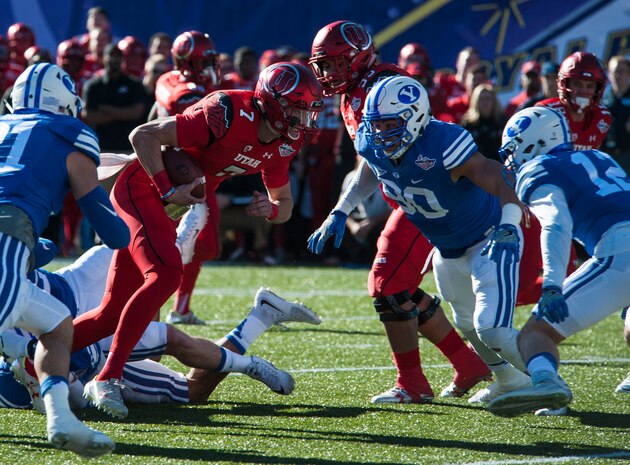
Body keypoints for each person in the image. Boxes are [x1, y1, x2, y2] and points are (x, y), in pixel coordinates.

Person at [69, 62, 323, 419]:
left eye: (307, 112)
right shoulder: (229, 113)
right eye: (297, 110)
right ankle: (108, 376)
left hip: (167, 207)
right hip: (141, 189)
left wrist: (270, 208)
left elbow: (285, 207)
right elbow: (143, 135)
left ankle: (37, 357)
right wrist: (169, 188)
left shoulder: (285, 143)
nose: (302, 121)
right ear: (273, 103)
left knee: (112, 312)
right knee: (167, 274)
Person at [308, 21, 494, 405]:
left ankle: (412, 381)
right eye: (323, 66)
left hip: (424, 200)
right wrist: (341, 209)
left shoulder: (381, 88)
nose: (327, 74)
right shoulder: (353, 93)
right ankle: (467, 364)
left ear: (357, 58)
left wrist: (345, 208)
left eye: (334, 64)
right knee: (400, 287)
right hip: (408, 198)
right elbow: (371, 159)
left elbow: (398, 150)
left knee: (386, 283)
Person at [0, 244, 321, 410]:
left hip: (89, 335)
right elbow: (41, 247)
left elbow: (63, 387)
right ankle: (260, 319)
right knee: (158, 294)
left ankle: (250, 359)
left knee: (187, 376)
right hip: (84, 287)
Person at [0, 63, 130, 456]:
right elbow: (112, 233)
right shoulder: (69, 132)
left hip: (12, 239)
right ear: (66, 103)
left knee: (56, 324)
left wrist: (35, 249)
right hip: (7, 229)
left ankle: (61, 419)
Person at [486, 106, 630, 416]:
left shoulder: (538, 168)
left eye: (512, 149)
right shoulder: (600, 157)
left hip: (621, 250)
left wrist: (552, 283)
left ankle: (547, 383)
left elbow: (555, 223)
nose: (510, 160)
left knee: (535, 334)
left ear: (532, 142)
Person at [149, 30, 222, 324]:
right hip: (187, 177)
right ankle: (168, 307)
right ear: (187, 63)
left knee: (200, 246)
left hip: (184, 173)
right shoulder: (188, 94)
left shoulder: (167, 80)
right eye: (203, 62)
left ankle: (181, 307)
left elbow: (153, 116)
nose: (210, 68)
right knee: (197, 245)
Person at [82, 43, 147, 154]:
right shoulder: (93, 86)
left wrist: (107, 109)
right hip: (101, 148)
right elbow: (88, 116)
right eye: (110, 55)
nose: (114, 59)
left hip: (128, 148)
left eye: (117, 56)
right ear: (103, 58)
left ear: (122, 59)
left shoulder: (134, 84)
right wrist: (123, 114)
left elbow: (136, 113)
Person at [460, 83, 506, 163]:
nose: (485, 102)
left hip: (499, 168)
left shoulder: (502, 121)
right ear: (475, 102)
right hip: (475, 169)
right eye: (481, 99)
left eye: (488, 99)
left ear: (494, 101)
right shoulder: (468, 123)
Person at [603, 55, 630, 174]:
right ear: (609, 74)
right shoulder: (603, 100)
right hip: (608, 155)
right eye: (615, 71)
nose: (618, 76)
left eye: (622, 71)